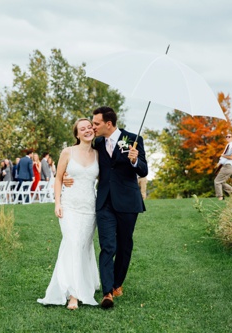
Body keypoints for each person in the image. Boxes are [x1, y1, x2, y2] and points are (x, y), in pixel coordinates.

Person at [65, 106, 147, 309]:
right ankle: (107, 292)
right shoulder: (98, 143)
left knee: (124, 244)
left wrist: (135, 159)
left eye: (96, 123)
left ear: (108, 124)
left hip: (128, 202)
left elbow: (144, 170)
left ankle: (118, 283)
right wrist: (69, 176)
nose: (93, 127)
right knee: (108, 245)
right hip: (103, 203)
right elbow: (83, 158)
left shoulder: (134, 139)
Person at [39, 118, 101, 310]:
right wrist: (57, 202)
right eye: (82, 129)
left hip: (90, 208)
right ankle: (73, 295)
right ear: (77, 134)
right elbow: (58, 179)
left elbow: (106, 178)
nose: (87, 130)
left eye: (89, 127)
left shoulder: (99, 155)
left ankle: (85, 282)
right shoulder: (67, 152)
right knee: (72, 243)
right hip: (69, 206)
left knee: (83, 246)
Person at [214, 132, 232, 200]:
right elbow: (225, 158)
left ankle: (220, 197)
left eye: (229, 137)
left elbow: (231, 157)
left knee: (217, 181)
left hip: (228, 166)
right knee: (221, 182)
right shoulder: (228, 145)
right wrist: (219, 163)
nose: (227, 138)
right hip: (227, 166)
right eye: (226, 136)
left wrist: (223, 155)